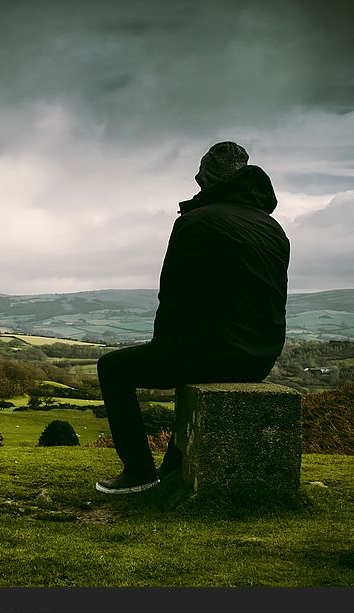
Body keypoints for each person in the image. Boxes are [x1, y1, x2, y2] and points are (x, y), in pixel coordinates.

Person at [95, 141, 290, 494]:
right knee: (187, 358)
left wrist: (164, 347)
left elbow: (175, 297)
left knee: (113, 368)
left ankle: (139, 472)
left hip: (210, 353)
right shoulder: (272, 228)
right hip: (259, 357)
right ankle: (173, 467)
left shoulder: (197, 222)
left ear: (207, 180)